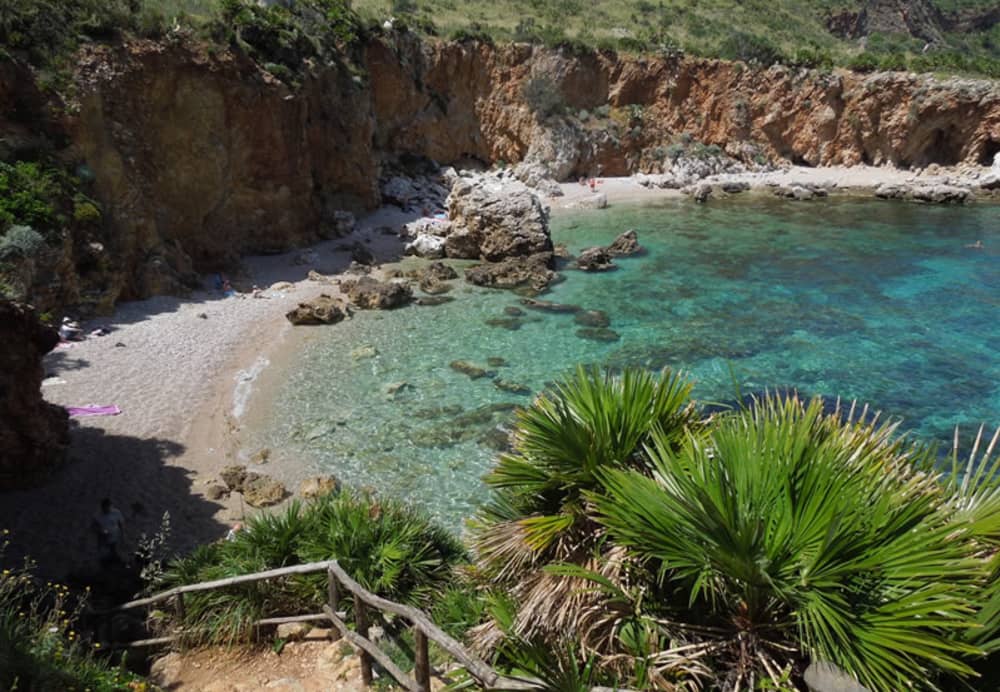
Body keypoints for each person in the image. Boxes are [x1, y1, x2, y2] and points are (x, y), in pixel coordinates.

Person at [92, 498, 125, 567]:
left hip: (115, 537)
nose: (107, 509)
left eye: (109, 507)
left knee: (114, 551)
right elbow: (93, 527)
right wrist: (100, 531)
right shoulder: (98, 516)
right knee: (104, 554)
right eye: (105, 507)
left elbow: (121, 524)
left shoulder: (116, 513)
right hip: (103, 539)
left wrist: (123, 535)